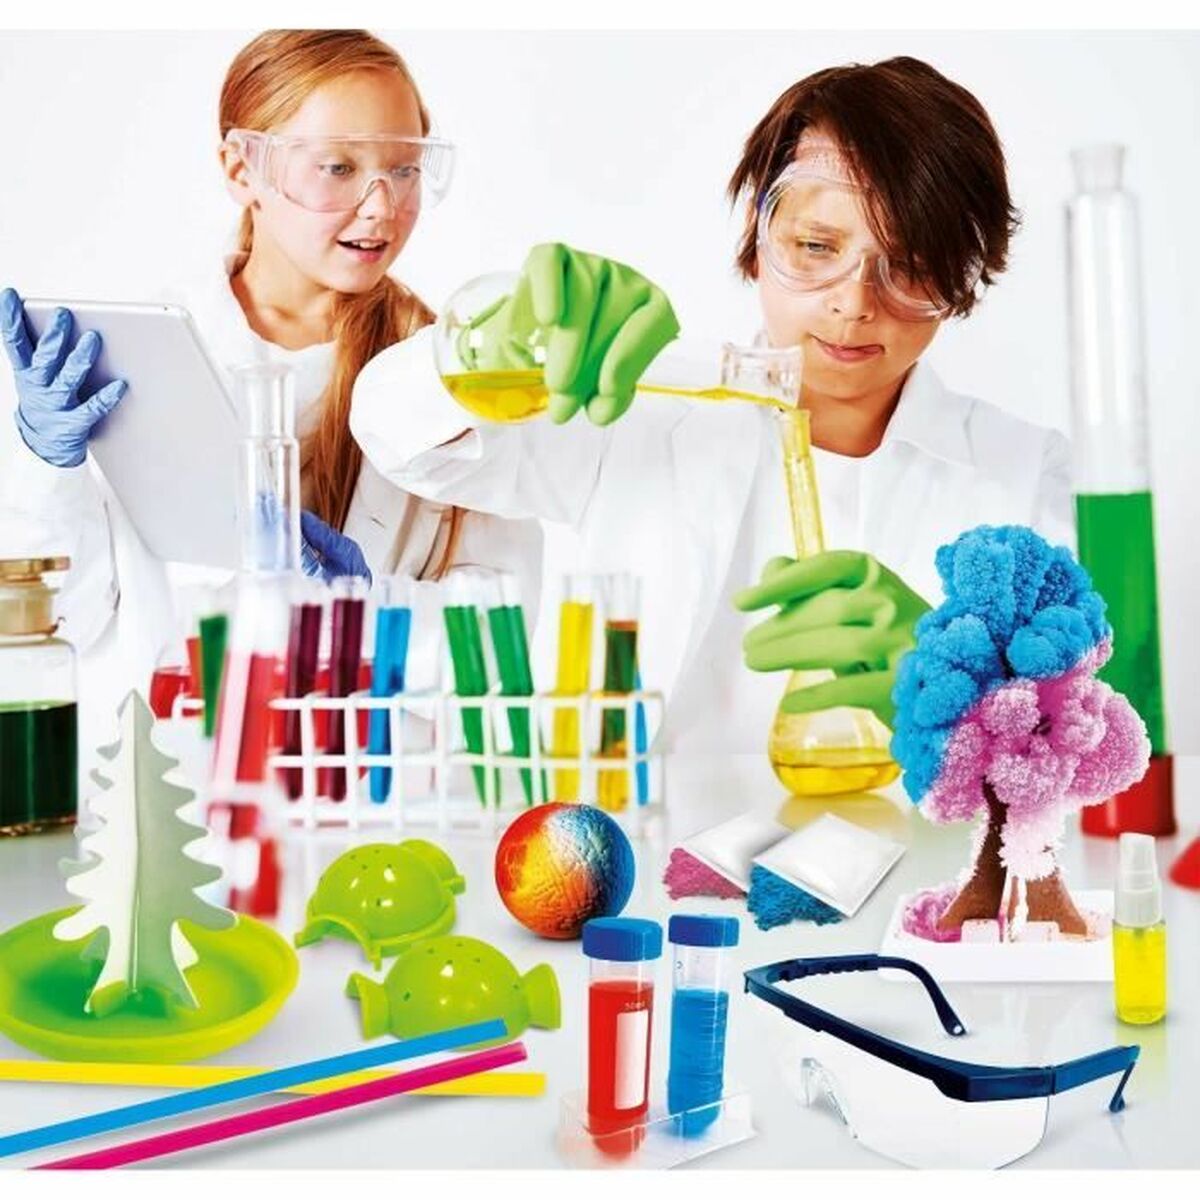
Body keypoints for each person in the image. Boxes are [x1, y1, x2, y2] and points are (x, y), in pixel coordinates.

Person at [350, 55, 1071, 755]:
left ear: (964, 276)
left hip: (920, 840)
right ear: (759, 237)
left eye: (909, 266)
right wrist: (502, 336)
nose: (854, 303)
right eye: (815, 246)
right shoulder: (634, 416)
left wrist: (968, 692)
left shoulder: (1029, 475)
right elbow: (396, 434)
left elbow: (1094, 737)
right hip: (640, 834)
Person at [0, 29, 541, 755]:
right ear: (241, 168)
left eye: (405, 169)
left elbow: (502, 650)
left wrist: (364, 612)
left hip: (369, 795)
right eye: (338, 167)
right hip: (168, 787)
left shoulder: (456, 377)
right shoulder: (141, 354)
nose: (381, 207)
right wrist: (47, 467)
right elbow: (63, 618)